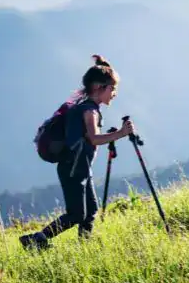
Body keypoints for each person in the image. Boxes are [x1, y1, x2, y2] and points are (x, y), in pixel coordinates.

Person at [20, 54, 134, 250]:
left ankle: (84, 249)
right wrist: (121, 134)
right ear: (99, 87)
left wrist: (112, 135)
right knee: (76, 214)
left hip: (78, 167)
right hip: (73, 169)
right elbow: (93, 139)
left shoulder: (86, 108)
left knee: (90, 211)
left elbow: (88, 138)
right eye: (112, 88)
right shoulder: (90, 111)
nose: (114, 93)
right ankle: (36, 239)